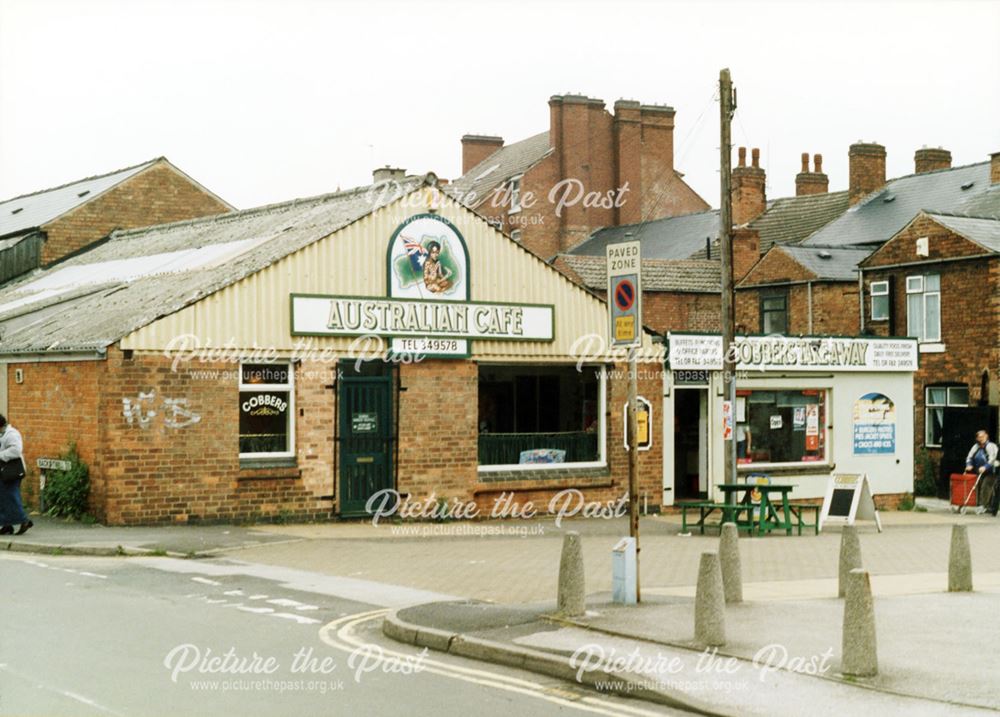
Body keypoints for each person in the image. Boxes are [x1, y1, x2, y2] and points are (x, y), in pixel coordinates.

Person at [0, 413, 32, 535]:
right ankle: (6, 524)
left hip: (12, 471)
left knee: (11, 496)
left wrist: (1, 455)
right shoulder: (2, 434)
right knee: (3, 497)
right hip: (4, 470)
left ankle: (24, 521)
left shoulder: (12, 434)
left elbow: (16, 450)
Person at [965, 429, 1000, 516]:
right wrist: (969, 464)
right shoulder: (975, 446)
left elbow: (993, 458)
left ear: (986, 436)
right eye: (979, 437)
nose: (981, 438)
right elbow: (969, 456)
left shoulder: (990, 446)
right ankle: (985, 505)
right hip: (980, 471)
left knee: (986, 486)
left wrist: (985, 467)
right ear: (977, 438)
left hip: (992, 471)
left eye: (983, 436)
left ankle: (983, 505)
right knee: (978, 486)